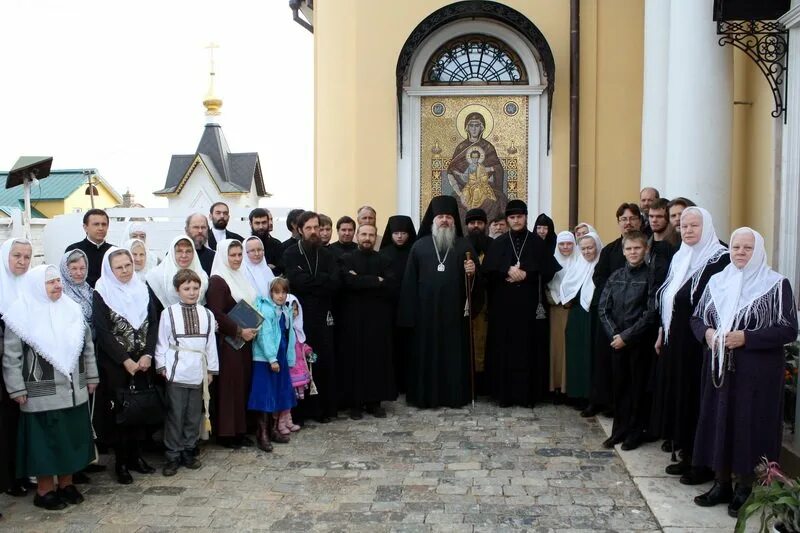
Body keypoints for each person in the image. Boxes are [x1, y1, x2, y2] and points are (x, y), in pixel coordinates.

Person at [691, 228, 798, 516]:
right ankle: (721, 482)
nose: (740, 252)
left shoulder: (776, 285)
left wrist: (747, 338)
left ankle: (745, 487)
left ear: (758, 251)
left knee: (748, 425)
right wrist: (708, 333)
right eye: (736, 247)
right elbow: (696, 318)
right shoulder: (718, 281)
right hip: (720, 370)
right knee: (719, 421)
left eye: (747, 248)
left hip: (757, 373)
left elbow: (789, 328)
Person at [2, 264, 98, 510]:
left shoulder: (72, 310)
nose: (57, 286)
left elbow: (87, 348)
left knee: (71, 439)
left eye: (58, 281)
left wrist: (91, 377)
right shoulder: (21, 314)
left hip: (73, 390)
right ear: (37, 286)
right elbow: (12, 357)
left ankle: (66, 484)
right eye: (50, 282)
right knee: (45, 444)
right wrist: (17, 388)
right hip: (41, 393)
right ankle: (45, 491)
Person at [649, 206, 729, 483]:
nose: (688, 230)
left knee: (698, 400)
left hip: (700, 345)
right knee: (680, 398)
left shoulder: (721, 259)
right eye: (684, 226)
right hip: (675, 341)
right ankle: (686, 454)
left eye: (694, 226)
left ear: (706, 227)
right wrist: (662, 331)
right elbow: (669, 298)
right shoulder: (680, 256)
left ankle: (703, 463)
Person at [398, 195, 479, 408]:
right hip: (425, 315)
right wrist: (409, 316)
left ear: (454, 221)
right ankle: (425, 397)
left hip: (455, 315)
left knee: (453, 356)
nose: (444, 220)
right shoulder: (419, 246)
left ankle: (454, 397)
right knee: (426, 355)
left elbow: (478, 284)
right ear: (433, 220)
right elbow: (409, 283)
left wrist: (473, 273)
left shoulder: (464, 246)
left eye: (449, 217)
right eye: (441, 216)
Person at [484, 200, 561, 407]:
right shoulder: (499, 243)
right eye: (512, 217)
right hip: (504, 306)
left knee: (529, 347)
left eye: (519, 217)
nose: (516, 220)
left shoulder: (537, 242)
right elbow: (488, 271)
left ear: (526, 217)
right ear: (507, 220)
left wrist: (526, 274)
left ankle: (529, 395)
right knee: (505, 347)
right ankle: (504, 395)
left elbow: (549, 269)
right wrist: (506, 270)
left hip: (530, 306)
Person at [93, 247, 158, 485]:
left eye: (128, 265)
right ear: (110, 270)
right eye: (118, 267)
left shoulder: (142, 288)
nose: (124, 271)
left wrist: (148, 355)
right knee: (121, 413)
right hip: (116, 365)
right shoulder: (102, 292)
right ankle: (121, 462)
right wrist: (125, 360)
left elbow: (153, 322)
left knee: (140, 410)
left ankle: (136, 457)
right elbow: (103, 332)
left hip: (142, 363)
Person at [154, 269, 219, 476]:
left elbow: (210, 344)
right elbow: (162, 343)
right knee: (176, 415)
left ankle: (189, 450)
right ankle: (173, 454)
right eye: (187, 288)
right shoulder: (169, 313)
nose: (192, 292)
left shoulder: (207, 314)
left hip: (197, 371)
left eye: (195, 288)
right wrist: (163, 367)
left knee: (193, 415)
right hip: (177, 371)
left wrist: (210, 369)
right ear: (177, 290)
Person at [598, 231, 658, 451]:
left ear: (646, 249)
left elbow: (650, 313)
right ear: (623, 251)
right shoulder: (615, 276)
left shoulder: (651, 277)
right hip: (617, 342)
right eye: (629, 249)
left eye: (637, 248)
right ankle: (619, 430)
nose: (633, 252)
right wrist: (615, 334)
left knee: (638, 388)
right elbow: (604, 308)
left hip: (638, 342)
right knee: (620, 387)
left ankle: (635, 431)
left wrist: (627, 336)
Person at [583, 203, 643, 417]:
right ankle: (599, 401)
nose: (628, 223)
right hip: (609, 313)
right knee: (602, 359)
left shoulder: (645, 248)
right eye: (623, 219)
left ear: (639, 220)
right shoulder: (610, 249)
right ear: (618, 223)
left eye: (632, 218)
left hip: (635, 316)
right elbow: (598, 276)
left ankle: (620, 406)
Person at [283, 212, 341, 423]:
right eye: (309, 228)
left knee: (323, 360)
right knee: (302, 361)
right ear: (300, 230)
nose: (314, 232)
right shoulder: (291, 253)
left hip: (324, 315)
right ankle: (303, 412)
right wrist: (320, 281)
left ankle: (324, 410)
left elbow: (335, 282)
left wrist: (313, 282)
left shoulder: (327, 254)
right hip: (301, 317)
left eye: (316, 227)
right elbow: (297, 281)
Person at [337, 224, 397, 419]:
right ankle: (355, 404)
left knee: (376, 360)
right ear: (357, 236)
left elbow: (390, 284)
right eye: (363, 234)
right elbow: (348, 282)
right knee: (354, 360)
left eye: (371, 235)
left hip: (378, 321)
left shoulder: (385, 260)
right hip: (353, 320)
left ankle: (374, 402)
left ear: (375, 238)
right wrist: (376, 281)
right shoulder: (346, 259)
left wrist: (361, 279)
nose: (367, 238)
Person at [206, 239, 258, 449]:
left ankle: (241, 429)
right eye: (232, 255)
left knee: (242, 384)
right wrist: (238, 331)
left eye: (239, 254)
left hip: (245, 341)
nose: (237, 259)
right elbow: (216, 313)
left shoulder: (241, 276)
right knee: (230, 387)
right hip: (228, 343)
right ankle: (227, 433)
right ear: (223, 256)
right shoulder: (218, 280)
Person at [0, 238, 33, 500]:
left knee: (24, 425)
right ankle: (8, 478)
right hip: (5, 370)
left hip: (27, 368)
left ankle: (23, 473)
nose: (22, 262)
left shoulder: (28, 287)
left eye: (26, 257)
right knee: (6, 427)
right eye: (16, 256)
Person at [249, 277, 297, 451]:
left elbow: (289, 334)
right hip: (266, 358)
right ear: (270, 293)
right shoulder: (266, 310)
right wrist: (271, 358)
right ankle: (262, 434)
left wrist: (289, 358)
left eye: (284, 292)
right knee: (265, 395)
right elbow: (264, 335)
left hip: (281, 356)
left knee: (278, 393)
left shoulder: (285, 310)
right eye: (277, 292)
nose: (281, 296)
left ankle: (274, 429)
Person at [561, 233, 603, 408]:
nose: (586, 251)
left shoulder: (601, 266)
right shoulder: (578, 265)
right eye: (583, 248)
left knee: (590, 355)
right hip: (576, 314)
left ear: (597, 247)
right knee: (575, 354)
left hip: (593, 316)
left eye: (590, 247)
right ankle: (576, 394)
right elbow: (567, 286)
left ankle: (590, 397)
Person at [379, 215, 417, 393]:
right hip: (389, 307)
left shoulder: (415, 251)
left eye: (403, 233)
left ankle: (410, 382)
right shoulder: (384, 253)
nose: (400, 236)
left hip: (412, 306)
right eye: (396, 233)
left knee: (411, 346)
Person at [547, 231, 578, 400]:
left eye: (569, 244)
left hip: (572, 311)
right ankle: (555, 386)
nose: (565, 247)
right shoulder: (553, 261)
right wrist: (556, 298)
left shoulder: (579, 263)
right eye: (562, 244)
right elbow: (548, 284)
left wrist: (570, 299)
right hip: (555, 310)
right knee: (556, 349)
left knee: (570, 350)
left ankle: (569, 387)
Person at [146, 236, 209, 313]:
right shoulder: (156, 277)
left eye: (188, 251)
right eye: (179, 251)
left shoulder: (202, 276)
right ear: (172, 252)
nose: (184, 255)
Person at [464, 208, 490, 394]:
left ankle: (483, 383)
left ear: (485, 225)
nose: (475, 226)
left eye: (479, 223)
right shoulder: (460, 245)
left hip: (488, 304)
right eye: (472, 223)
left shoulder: (493, 245)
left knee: (485, 343)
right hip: (465, 303)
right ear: (466, 225)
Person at [65, 209, 113, 288]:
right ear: (85, 227)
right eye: (96, 224)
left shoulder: (113, 251)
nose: (101, 228)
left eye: (104, 224)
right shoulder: (74, 250)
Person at [249, 208, 282, 273]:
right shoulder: (245, 245)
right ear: (251, 224)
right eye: (257, 223)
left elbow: (281, 270)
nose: (261, 227)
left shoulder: (277, 245)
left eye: (264, 222)